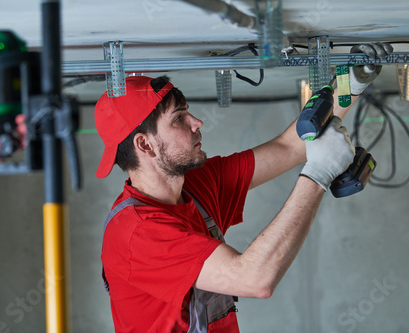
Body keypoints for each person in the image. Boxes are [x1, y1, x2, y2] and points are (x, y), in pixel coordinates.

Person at [94, 43, 393, 332]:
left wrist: (350, 83)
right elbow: (254, 279)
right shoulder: (135, 234)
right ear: (144, 144)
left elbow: (288, 147)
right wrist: (318, 174)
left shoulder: (196, 184)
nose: (197, 122)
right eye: (179, 118)